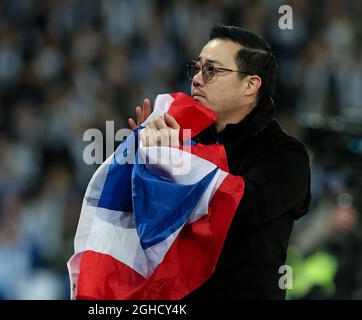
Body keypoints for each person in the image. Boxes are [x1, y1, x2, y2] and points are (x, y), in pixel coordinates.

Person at [128, 24, 311, 299]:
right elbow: (148, 227)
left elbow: (241, 207)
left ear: (251, 84)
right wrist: (147, 163)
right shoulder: (185, 138)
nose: (197, 80)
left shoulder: (286, 155)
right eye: (197, 68)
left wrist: (174, 160)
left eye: (211, 70)